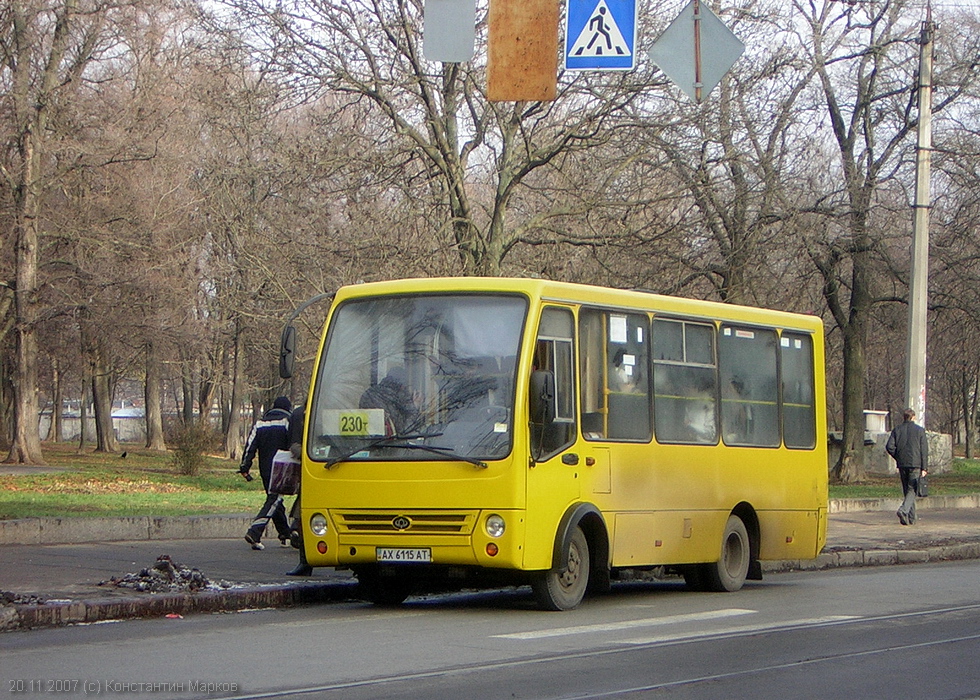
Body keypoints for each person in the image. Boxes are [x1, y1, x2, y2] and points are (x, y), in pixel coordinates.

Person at [240, 396, 293, 550]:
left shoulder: (260, 423)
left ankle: (285, 535)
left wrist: (245, 467)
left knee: (275, 500)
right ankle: (254, 531)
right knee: (274, 500)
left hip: (265, 469)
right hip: (282, 467)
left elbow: (250, 447)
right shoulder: (288, 421)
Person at [886, 408, 929, 526]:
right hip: (915, 464)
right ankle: (903, 510)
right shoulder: (920, 431)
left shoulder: (897, 430)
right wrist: (924, 468)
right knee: (912, 490)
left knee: (907, 490)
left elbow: (889, 447)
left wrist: (898, 457)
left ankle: (911, 518)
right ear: (913, 417)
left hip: (902, 464)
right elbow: (924, 450)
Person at [285, 403, 313, 576]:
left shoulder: (331, 409)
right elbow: (294, 444)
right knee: (304, 515)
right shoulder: (298, 414)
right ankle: (305, 561)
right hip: (313, 471)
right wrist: (311, 454)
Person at [359, 366, 420, 435]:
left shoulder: (369, 393)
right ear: (402, 384)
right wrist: (415, 406)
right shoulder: (400, 395)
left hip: (367, 443)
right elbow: (406, 430)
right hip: (390, 443)